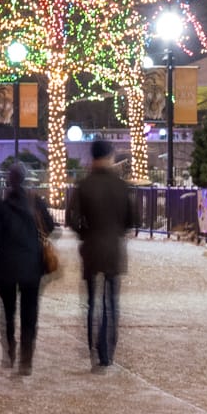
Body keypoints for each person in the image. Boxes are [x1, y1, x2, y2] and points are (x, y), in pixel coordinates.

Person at [0, 161, 56, 374]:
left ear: (8, 181)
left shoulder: (1, 207)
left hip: (5, 268)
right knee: (29, 313)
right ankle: (26, 359)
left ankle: (10, 348)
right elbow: (50, 226)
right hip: (31, 265)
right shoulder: (35, 203)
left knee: (8, 311)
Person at [67, 137, 137, 370]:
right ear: (109, 157)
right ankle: (107, 350)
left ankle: (93, 348)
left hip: (91, 248)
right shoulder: (120, 185)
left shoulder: (84, 185)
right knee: (111, 302)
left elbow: (71, 218)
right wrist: (117, 232)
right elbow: (132, 219)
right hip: (113, 249)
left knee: (91, 301)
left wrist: (84, 233)